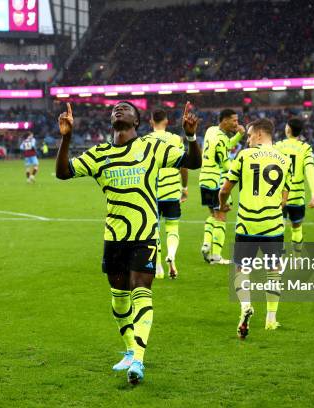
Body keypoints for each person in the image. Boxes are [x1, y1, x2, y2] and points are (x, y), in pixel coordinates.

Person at [55, 101, 202, 385]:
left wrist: (191, 137)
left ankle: (139, 360)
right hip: (114, 237)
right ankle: (130, 349)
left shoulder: (152, 147)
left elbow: (193, 162)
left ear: (137, 121)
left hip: (145, 234)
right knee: (119, 298)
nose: (118, 110)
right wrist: (66, 137)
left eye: (126, 108)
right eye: (114, 109)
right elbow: (63, 172)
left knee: (141, 290)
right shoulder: (100, 154)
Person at [219, 118, 291, 338]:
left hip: (247, 224)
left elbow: (225, 190)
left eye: (249, 135)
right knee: (274, 270)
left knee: (242, 270)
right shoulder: (284, 159)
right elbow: (284, 197)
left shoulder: (244, 156)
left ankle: (245, 307)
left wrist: (223, 205)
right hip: (273, 225)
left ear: (259, 134)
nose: (247, 139)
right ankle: (271, 319)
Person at [199, 109, 245, 264]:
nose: (236, 124)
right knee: (221, 216)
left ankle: (206, 243)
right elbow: (226, 165)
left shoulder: (211, 131)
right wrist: (241, 169)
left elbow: (225, 146)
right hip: (216, 181)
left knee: (213, 215)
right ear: (224, 120)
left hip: (204, 179)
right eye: (234, 121)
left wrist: (239, 135)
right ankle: (217, 256)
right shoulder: (221, 138)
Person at [147, 108, 189, 279]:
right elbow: (183, 164)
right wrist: (184, 188)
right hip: (172, 190)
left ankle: (157, 267)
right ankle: (171, 254)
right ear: (166, 122)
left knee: (153, 230)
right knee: (172, 228)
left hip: (153, 192)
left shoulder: (145, 140)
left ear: (151, 122)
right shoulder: (175, 139)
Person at [274, 117, 314, 256]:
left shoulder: (278, 146)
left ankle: (276, 259)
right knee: (297, 227)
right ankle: (297, 258)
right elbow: (310, 170)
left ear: (288, 129)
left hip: (279, 195)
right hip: (297, 195)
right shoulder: (305, 148)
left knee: (278, 227)